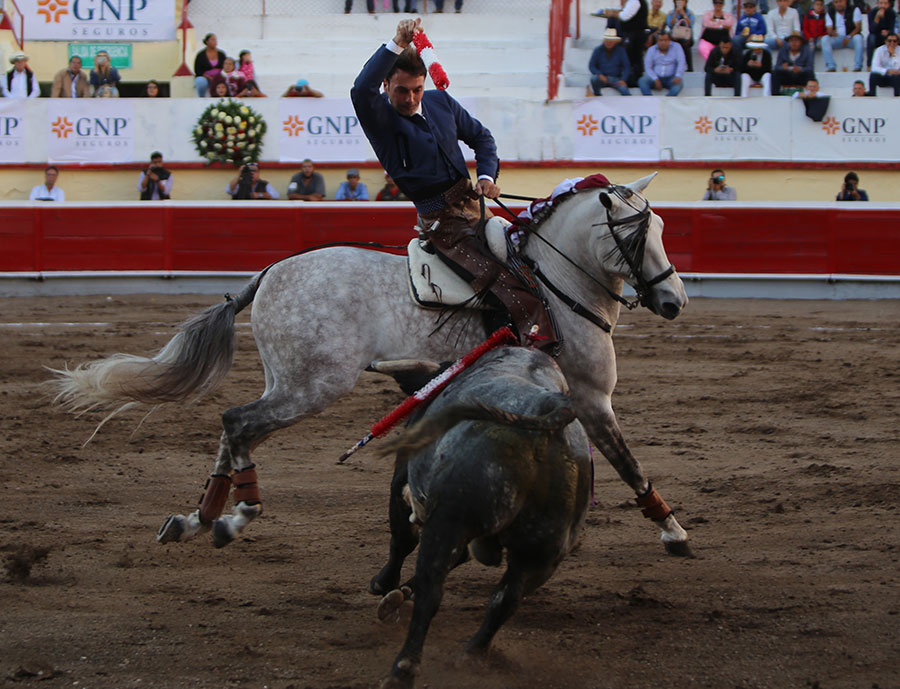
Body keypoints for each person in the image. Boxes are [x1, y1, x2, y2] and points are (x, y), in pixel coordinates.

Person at [350, 18, 559, 352]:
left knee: (530, 264)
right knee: (498, 279)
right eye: (402, 90)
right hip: (442, 223)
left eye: (417, 89)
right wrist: (396, 43)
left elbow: (481, 138)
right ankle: (528, 349)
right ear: (387, 84)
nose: (410, 98)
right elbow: (361, 88)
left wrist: (487, 178)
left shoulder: (440, 102)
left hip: (477, 210)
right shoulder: (381, 119)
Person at [595, 0, 650, 85]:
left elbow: (624, 16)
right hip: (634, 34)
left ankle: (633, 80)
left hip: (634, 34)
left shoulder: (635, 1)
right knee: (634, 57)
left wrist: (613, 14)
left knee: (633, 58)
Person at [638, 31, 687, 95]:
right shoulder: (651, 50)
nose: (663, 43)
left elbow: (681, 62)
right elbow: (647, 67)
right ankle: (650, 101)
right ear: (657, 41)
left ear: (669, 40)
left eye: (665, 40)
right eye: (660, 40)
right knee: (642, 81)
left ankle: (668, 101)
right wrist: (655, 79)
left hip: (671, 78)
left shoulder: (677, 47)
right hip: (655, 77)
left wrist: (678, 76)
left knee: (679, 84)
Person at [587, 28, 632, 95]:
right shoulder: (597, 50)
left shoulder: (621, 51)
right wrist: (599, 74)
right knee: (594, 79)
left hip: (616, 78)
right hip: (602, 77)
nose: (609, 42)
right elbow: (591, 65)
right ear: (604, 40)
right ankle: (597, 95)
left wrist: (623, 79)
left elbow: (627, 66)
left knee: (625, 90)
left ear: (615, 41)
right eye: (607, 40)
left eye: (611, 40)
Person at [822, 0, 864, 71]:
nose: (839, 4)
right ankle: (831, 66)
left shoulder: (854, 9)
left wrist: (849, 37)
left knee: (858, 38)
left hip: (851, 38)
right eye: (836, 2)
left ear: (845, 1)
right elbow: (829, 29)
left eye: (840, 1)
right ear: (833, 3)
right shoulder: (830, 12)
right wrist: (833, 33)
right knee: (825, 39)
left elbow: (858, 28)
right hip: (837, 38)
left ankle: (858, 66)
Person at [667, 0, 697, 71]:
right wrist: (676, 13)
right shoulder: (671, 13)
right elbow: (670, 24)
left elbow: (690, 23)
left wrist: (683, 13)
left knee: (685, 43)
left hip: (686, 36)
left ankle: (690, 67)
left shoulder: (690, 13)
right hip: (675, 36)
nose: (680, 2)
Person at [867, 0, 896, 66]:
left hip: (888, 36)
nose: (883, 6)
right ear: (877, 4)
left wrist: (888, 32)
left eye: (885, 3)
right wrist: (877, 18)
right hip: (876, 36)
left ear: (889, 4)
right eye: (881, 3)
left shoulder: (891, 13)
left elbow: (893, 28)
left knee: (895, 38)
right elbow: (871, 30)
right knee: (871, 38)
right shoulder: (872, 12)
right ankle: (870, 64)